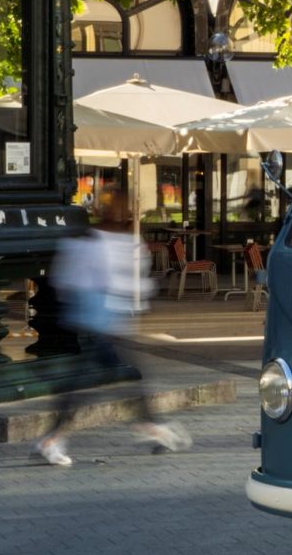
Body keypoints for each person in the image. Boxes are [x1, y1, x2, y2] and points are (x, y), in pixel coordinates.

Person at [32, 193, 192, 467]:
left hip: (101, 321)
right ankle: (146, 426)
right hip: (103, 323)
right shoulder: (113, 243)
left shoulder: (98, 241)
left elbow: (67, 279)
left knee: (103, 379)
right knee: (102, 380)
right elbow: (130, 283)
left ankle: (147, 425)